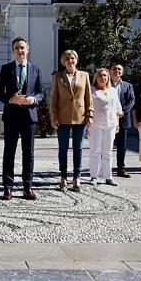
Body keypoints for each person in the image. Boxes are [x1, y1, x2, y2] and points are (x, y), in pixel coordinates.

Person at [0, 37, 44, 200]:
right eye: (16, 48)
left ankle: (27, 187)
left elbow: (41, 93)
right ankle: (7, 188)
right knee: (9, 152)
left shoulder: (36, 69)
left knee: (28, 153)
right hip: (11, 116)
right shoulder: (6, 68)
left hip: (29, 117)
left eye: (22, 47)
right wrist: (10, 99)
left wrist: (34, 100)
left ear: (27, 49)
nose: (20, 50)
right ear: (13, 51)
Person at [50, 49, 93, 192]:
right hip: (62, 117)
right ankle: (63, 177)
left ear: (76, 60)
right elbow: (54, 99)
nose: (70, 61)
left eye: (73, 58)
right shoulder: (58, 77)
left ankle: (77, 177)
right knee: (63, 149)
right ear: (63, 61)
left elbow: (88, 97)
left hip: (80, 117)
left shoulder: (84, 75)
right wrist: (54, 116)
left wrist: (90, 115)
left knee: (78, 149)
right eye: (67, 58)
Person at [88, 68, 123, 186]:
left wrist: (117, 123)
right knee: (95, 151)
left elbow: (118, 109)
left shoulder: (113, 91)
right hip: (95, 125)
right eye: (101, 76)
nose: (103, 78)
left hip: (110, 124)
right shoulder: (91, 90)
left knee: (108, 152)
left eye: (105, 76)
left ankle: (108, 176)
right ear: (96, 78)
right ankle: (94, 176)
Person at [109, 64, 135, 178]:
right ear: (110, 71)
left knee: (121, 145)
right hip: (108, 119)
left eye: (119, 69)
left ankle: (121, 168)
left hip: (123, 119)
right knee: (107, 145)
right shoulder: (105, 84)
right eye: (114, 69)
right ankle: (105, 168)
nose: (116, 71)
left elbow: (131, 101)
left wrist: (121, 112)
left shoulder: (128, 86)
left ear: (122, 72)